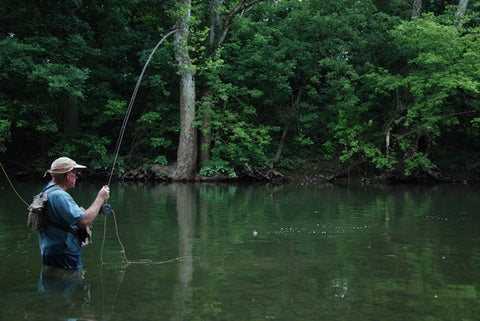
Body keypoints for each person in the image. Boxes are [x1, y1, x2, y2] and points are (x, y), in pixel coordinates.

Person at [39, 156, 110, 270]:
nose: (77, 177)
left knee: (55, 283)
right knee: (69, 284)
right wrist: (100, 198)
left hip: (51, 251)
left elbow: (59, 222)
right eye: (76, 174)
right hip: (64, 254)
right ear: (68, 175)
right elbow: (84, 221)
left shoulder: (47, 190)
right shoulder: (60, 196)